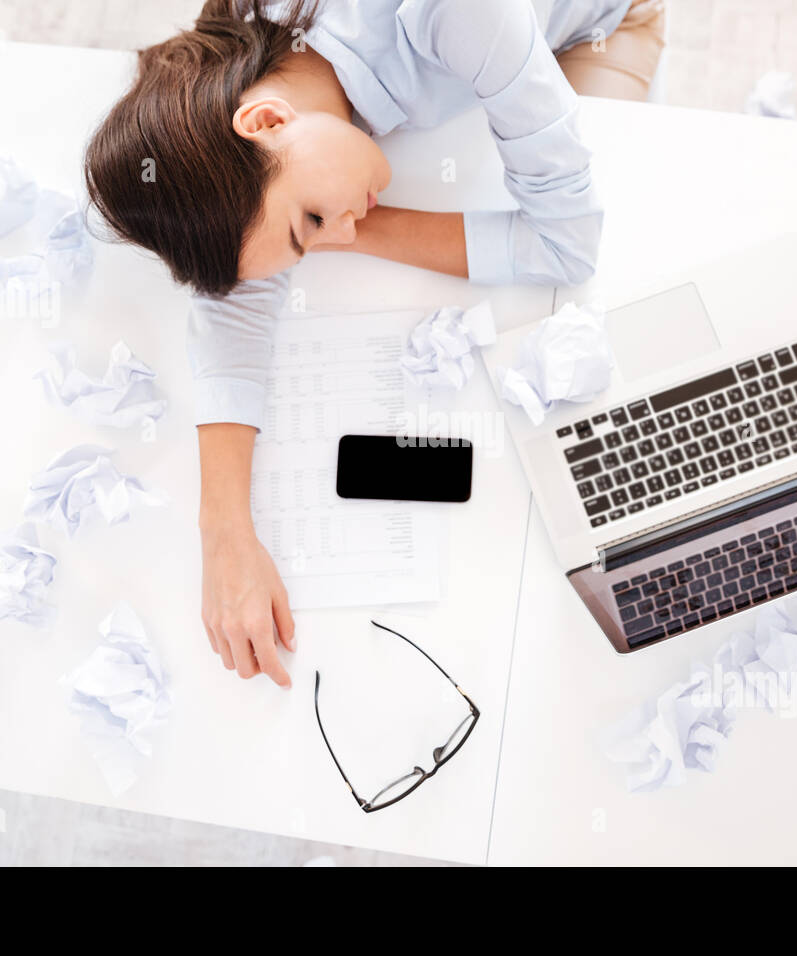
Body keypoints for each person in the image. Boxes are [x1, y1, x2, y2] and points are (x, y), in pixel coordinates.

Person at [84, 0, 665, 689]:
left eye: (310, 224)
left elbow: (565, 244)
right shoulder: (251, 60)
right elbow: (234, 303)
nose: (334, 242)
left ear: (267, 120)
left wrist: (361, 225)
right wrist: (224, 532)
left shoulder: (455, 13)